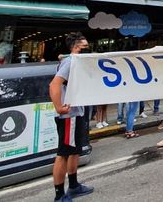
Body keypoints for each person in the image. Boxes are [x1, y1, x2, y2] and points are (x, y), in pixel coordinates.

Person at [48, 32, 93, 202]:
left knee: (74, 152)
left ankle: (73, 186)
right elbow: (54, 84)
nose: (87, 49)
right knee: (64, 154)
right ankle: (59, 195)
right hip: (69, 116)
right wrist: (59, 107)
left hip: (77, 113)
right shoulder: (70, 62)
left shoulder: (74, 60)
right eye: (84, 46)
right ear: (75, 46)